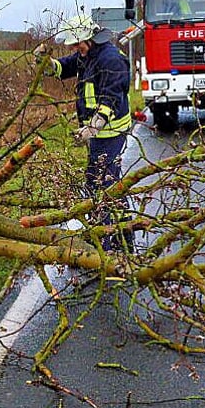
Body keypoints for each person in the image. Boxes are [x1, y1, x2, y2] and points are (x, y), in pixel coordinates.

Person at [35, 14, 133, 250]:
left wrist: (93, 127)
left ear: (89, 38)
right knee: (106, 184)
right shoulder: (87, 55)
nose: (74, 48)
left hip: (110, 132)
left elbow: (110, 97)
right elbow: (62, 67)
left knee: (101, 185)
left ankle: (108, 242)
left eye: (76, 43)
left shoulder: (110, 60)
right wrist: (44, 61)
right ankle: (120, 235)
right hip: (100, 135)